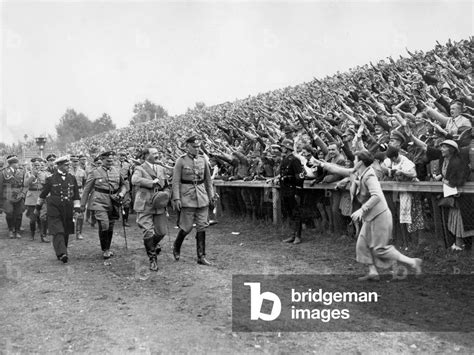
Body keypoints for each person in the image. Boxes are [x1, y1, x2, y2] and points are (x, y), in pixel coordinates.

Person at [315, 150, 422, 281]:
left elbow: (376, 195)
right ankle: (373, 272)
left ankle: (412, 262)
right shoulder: (358, 173)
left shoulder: (370, 175)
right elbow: (337, 169)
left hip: (380, 215)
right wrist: (320, 164)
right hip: (371, 215)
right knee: (362, 244)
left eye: (355, 160)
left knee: (380, 249)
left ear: (360, 162)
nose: (353, 162)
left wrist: (362, 210)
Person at [171, 136, 216, 266]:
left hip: (202, 197)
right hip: (187, 197)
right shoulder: (181, 161)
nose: (197, 149)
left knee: (202, 226)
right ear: (187, 147)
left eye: (198, 146)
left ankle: (201, 256)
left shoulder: (203, 160)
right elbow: (175, 181)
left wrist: (211, 195)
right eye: (194, 147)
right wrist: (177, 198)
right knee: (187, 227)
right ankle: (177, 246)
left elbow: (208, 180)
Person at [81, 151, 126, 259]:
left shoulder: (117, 171)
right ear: (102, 160)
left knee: (110, 225)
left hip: (113, 201)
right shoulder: (95, 172)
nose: (110, 162)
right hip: (99, 201)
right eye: (108, 160)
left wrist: (121, 193)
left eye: (112, 160)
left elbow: (124, 185)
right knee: (104, 224)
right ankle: (105, 249)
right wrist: (83, 204)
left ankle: (107, 248)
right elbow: (87, 189)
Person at [35, 156, 80, 263]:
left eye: (69, 165)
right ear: (59, 165)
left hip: (68, 208)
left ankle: (61, 251)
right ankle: (62, 253)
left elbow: (76, 195)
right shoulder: (51, 179)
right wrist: (38, 207)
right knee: (58, 231)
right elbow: (43, 195)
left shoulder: (72, 178)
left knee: (66, 231)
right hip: (54, 208)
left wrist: (77, 209)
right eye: (66, 165)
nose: (68, 166)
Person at [131, 147, 170, 271]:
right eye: (154, 154)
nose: (157, 155)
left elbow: (167, 185)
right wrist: (151, 182)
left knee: (161, 232)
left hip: (159, 203)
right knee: (148, 231)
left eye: (158, 153)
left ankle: (151, 245)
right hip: (145, 203)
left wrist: (167, 195)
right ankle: (152, 259)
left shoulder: (161, 168)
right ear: (146, 155)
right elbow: (134, 180)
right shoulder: (139, 168)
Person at [278, 138, 304, 244]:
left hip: (293, 190)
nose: (282, 149)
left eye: (283, 147)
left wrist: (298, 191)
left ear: (288, 148)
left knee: (296, 212)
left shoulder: (295, 160)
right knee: (289, 213)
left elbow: (300, 176)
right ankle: (292, 235)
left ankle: (298, 236)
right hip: (285, 190)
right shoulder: (284, 160)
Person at [0, 155, 27, 238]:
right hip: (7, 195)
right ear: (12, 164)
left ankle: (17, 230)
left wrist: (23, 193)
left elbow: (25, 184)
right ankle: (11, 230)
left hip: (19, 194)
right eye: (16, 163)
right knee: (9, 213)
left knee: (19, 213)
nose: (18, 164)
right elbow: (0, 186)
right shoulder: (3, 172)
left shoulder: (22, 172)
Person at [24, 157, 49, 242]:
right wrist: (33, 176)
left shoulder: (44, 174)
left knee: (43, 217)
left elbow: (48, 185)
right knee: (33, 219)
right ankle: (32, 235)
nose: (37, 167)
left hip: (42, 197)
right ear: (32, 165)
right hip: (31, 197)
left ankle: (43, 235)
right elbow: (26, 184)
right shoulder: (28, 174)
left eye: (38, 165)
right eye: (35, 165)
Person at [70, 155, 87, 240]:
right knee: (69, 212)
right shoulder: (67, 171)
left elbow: (85, 183)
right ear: (70, 162)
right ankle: (69, 230)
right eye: (73, 161)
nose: (75, 163)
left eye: (77, 161)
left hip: (80, 192)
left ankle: (79, 232)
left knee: (80, 214)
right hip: (69, 193)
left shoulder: (82, 171)